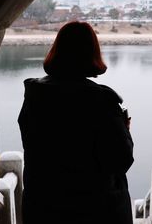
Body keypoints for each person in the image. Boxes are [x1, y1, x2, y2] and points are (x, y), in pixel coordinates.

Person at [18, 21, 134, 224]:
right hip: (94, 209)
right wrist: (125, 130)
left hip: (43, 206)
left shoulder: (34, 96)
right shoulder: (102, 102)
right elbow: (120, 160)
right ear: (92, 53)